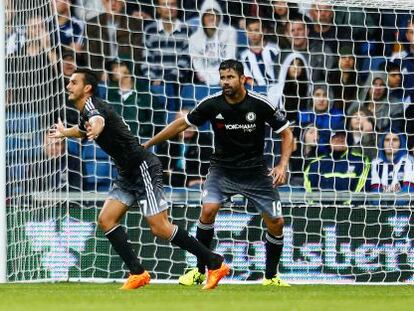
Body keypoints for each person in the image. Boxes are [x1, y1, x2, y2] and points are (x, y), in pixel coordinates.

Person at [48, 68, 229, 290]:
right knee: (106, 220)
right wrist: (66, 132)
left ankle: (215, 262)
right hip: (126, 173)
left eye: (73, 82)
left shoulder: (94, 108)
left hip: (143, 167)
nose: (68, 85)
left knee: (160, 228)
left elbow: (98, 122)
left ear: (87, 88)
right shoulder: (87, 110)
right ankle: (137, 272)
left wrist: (96, 128)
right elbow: (84, 129)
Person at [144, 59, 294, 286]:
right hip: (222, 169)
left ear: (243, 79)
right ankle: (200, 271)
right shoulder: (212, 104)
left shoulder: (260, 104)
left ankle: (271, 276)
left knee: (277, 223)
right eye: (222, 77)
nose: (225, 82)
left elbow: (287, 133)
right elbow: (180, 125)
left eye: (230, 77)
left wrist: (282, 165)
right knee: (208, 210)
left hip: (255, 172)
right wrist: (147, 145)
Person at [189, 0, 237, 85]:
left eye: (215, 14)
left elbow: (230, 58)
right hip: (205, 82)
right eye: (208, 15)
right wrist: (211, 80)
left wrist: (222, 78)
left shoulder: (230, 32)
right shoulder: (194, 39)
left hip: (227, 78)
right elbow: (198, 66)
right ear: (202, 18)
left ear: (219, 17)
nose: (211, 18)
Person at [370, 131, 414, 205]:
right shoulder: (376, 163)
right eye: (387, 140)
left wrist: (393, 206)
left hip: (403, 210)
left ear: (401, 143)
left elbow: (407, 192)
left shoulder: (409, 161)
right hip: (381, 210)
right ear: (382, 143)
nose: (391, 143)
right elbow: (375, 195)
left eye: (395, 140)